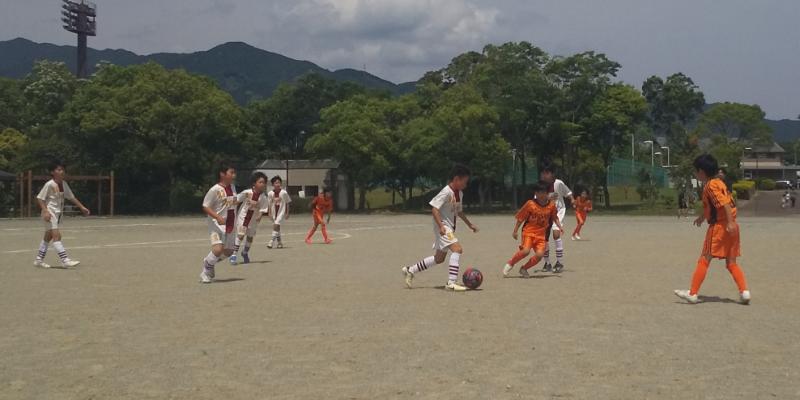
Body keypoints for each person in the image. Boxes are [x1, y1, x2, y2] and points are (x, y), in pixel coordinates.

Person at [674, 154, 750, 304]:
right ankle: (744, 292)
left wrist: (728, 223)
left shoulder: (710, 186)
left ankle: (693, 293)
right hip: (733, 227)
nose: (695, 174)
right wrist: (703, 217)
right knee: (731, 263)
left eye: (696, 171)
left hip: (720, 227)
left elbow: (724, 204)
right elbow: (716, 206)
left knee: (704, 258)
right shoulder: (720, 183)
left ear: (701, 172)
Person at [401, 164, 479, 291]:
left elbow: (458, 211)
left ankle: (410, 270)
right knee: (457, 249)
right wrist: (441, 226)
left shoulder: (459, 193)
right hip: (443, 227)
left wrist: (469, 224)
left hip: (448, 228)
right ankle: (451, 282)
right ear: (456, 179)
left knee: (439, 258)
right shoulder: (446, 192)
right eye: (465, 182)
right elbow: (434, 209)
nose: (466, 185)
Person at [33, 160, 91, 269]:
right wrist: (45, 211)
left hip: (58, 213)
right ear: (52, 172)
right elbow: (40, 198)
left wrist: (82, 207)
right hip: (50, 213)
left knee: (48, 236)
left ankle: (38, 260)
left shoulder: (64, 184)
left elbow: (71, 197)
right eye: (59, 170)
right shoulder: (49, 184)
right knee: (57, 236)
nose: (62, 172)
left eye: (63, 170)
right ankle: (65, 260)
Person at [502, 182, 563, 278]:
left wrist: (560, 227)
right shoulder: (530, 204)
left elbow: (555, 217)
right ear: (535, 193)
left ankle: (524, 268)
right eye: (538, 192)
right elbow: (520, 218)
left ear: (547, 194)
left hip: (541, 235)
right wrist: (515, 231)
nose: (541, 195)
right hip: (528, 232)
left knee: (540, 255)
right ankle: (511, 263)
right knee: (525, 251)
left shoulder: (551, 205)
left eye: (543, 192)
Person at [199, 162, 238, 284]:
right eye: (231, 172)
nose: (234, 175)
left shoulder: (233, 187)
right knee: (218, 249)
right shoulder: (214, 190)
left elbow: (232, 203)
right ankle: (206, 271)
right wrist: (218, 217)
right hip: (216, 224)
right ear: (222, 174)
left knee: (229, 251)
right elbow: (205, 206)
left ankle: (209, 261)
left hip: (230, 223)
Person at [539, 163, 575, 273]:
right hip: (545, 213)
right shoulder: (540, 186)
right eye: (542, 173)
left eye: (547, 173)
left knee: (556, 234)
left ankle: (559, 262)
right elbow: (536, 200)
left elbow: (567, 192)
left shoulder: (558, 183)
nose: (544, 175)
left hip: (558, 211)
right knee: (544, 238)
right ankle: (547, 263)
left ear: (553, 174)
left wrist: (572, 199)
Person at [229, 172, 270, 265]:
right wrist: (230, 204)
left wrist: (260, 215)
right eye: (260, 182)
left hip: (253, 220)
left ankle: (245, 252)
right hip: (243, 217)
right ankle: (234, 255)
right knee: (240, 235)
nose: (262, 184)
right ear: (254, 183)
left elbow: (263, 208)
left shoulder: (263, 197)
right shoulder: (247, 192)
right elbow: (237, 200)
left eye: (264, 182)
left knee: (250, 237)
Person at [267, 176, 292, 249]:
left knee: (276, 225)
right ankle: (280, 243)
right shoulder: (270, 193)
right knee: (277, 227)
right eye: (276, 183)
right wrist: (269, 213)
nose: (277, 184)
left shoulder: (284, 192)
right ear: (273, 184)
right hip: (274, 212)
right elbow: (269, 204)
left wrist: (287, 212)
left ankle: (271, 241)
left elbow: (287, 202)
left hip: (281, 212)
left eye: (279, 183)